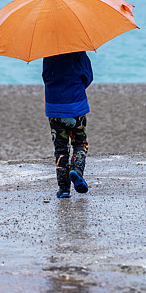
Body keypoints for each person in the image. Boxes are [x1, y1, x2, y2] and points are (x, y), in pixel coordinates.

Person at [42, 51, 93, 199]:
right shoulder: (80, 52)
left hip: (54, 108)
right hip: (76, 105)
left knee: (60, 149)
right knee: (80, 143)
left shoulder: (48, 53)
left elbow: (46, 77)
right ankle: (77, 169)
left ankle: (64, 188)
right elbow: (88, 76)